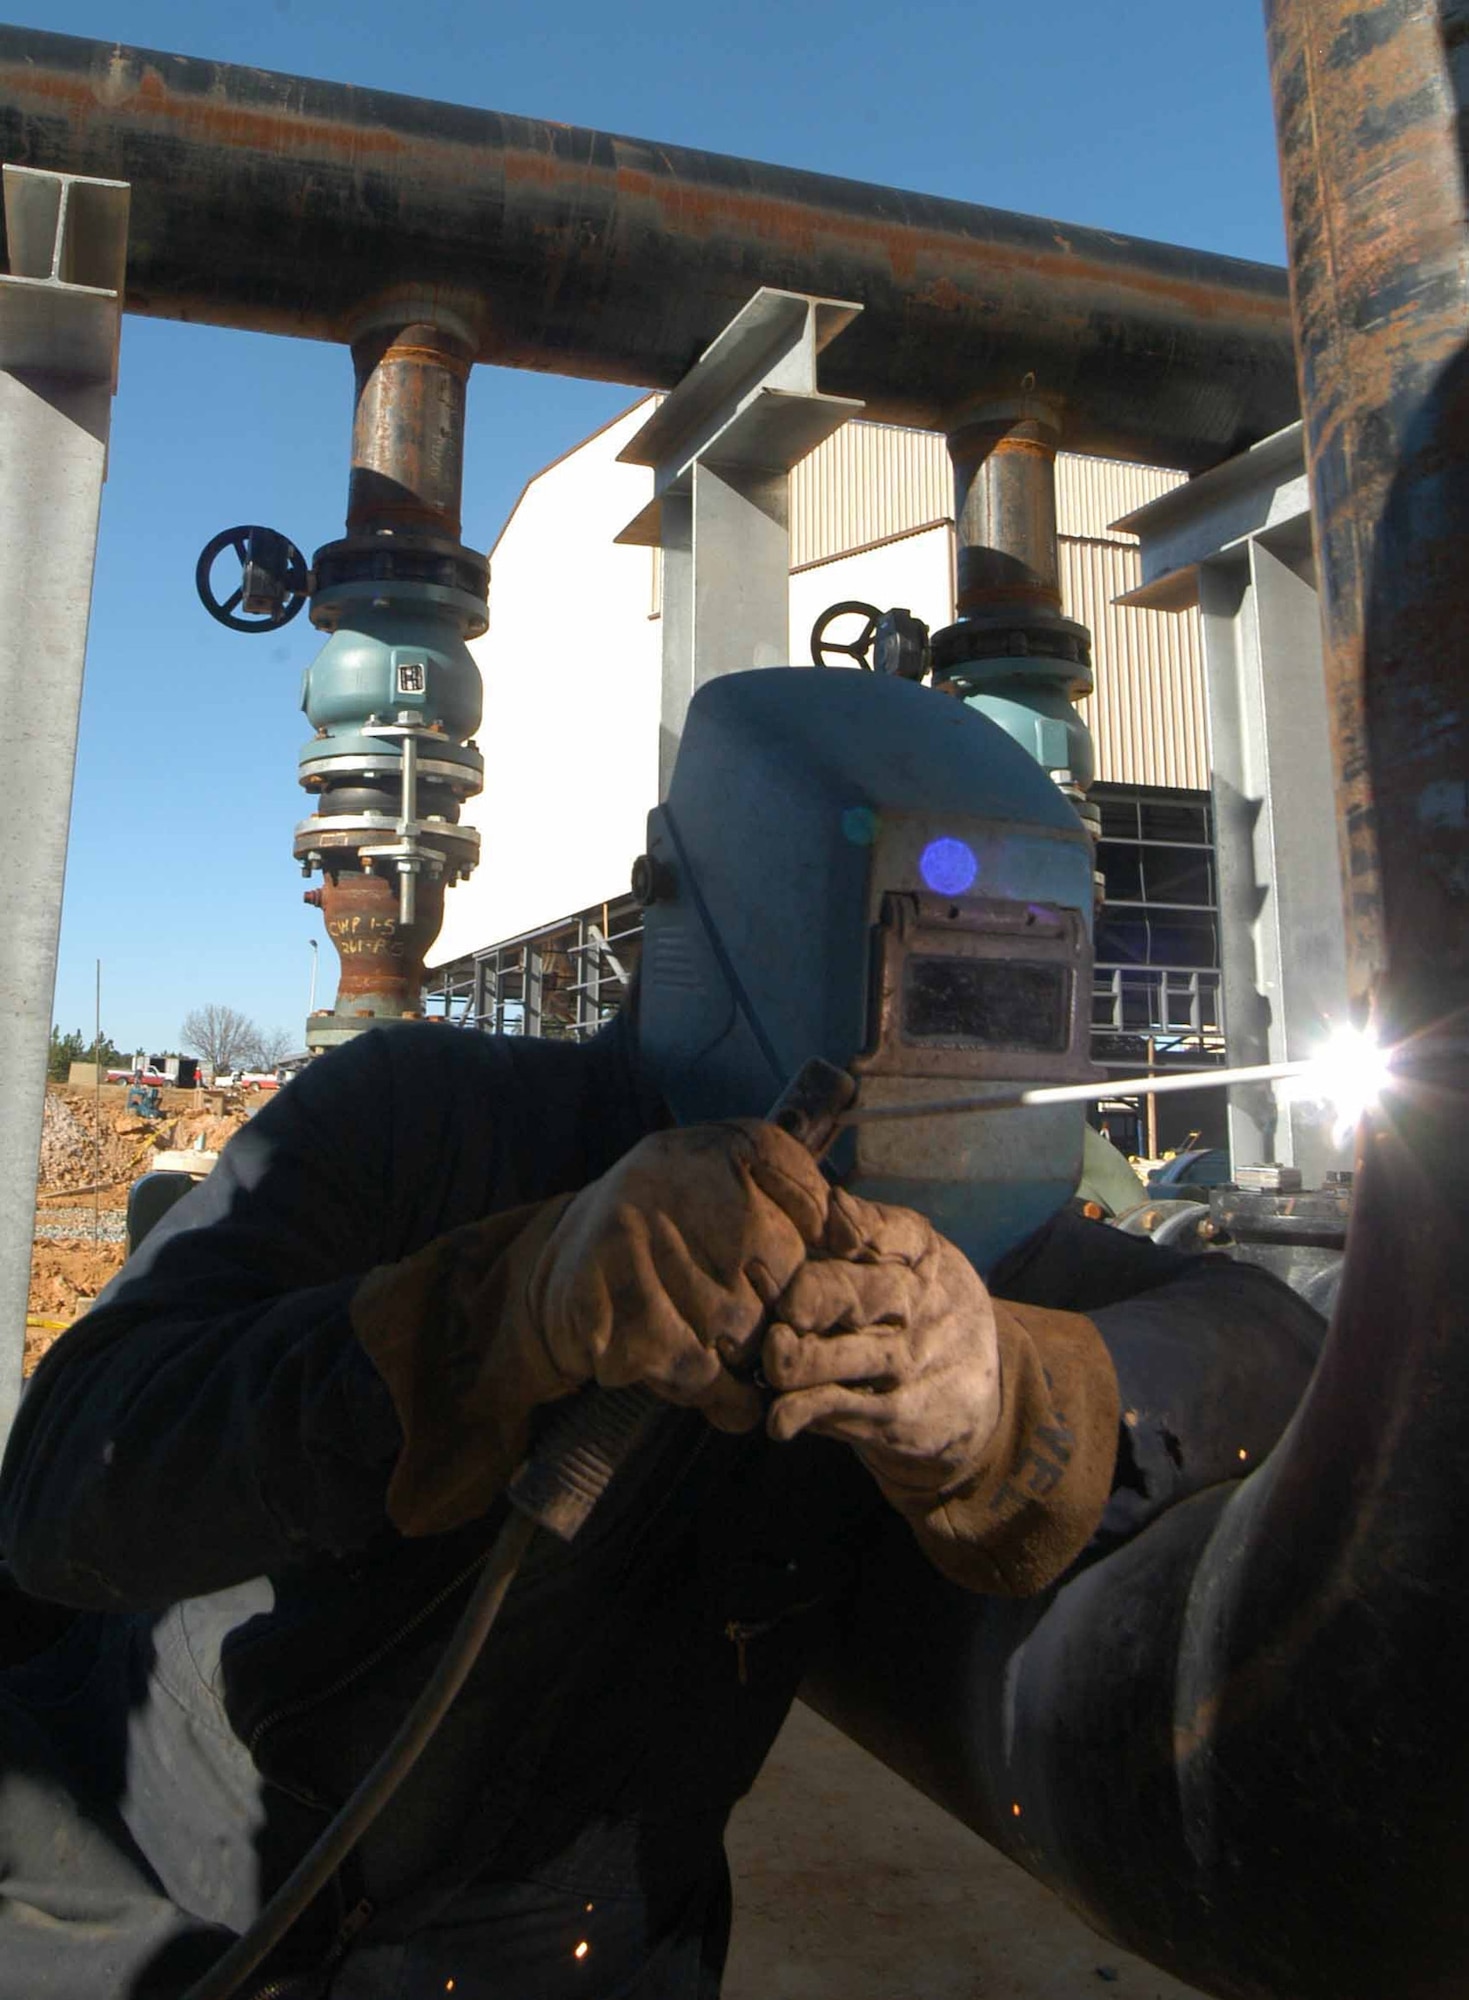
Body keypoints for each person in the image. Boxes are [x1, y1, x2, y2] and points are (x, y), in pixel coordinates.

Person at [0, 673, 1324, 1999]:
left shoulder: (981, 1254)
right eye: (932, 985)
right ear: (688, 921)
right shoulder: (425, 1121)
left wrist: (1021, 1394)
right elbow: (68, 1482)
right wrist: (495, 1315)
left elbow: (1265, 1342)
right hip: (179, 1896)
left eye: (1003, 997)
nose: (949, 1063)